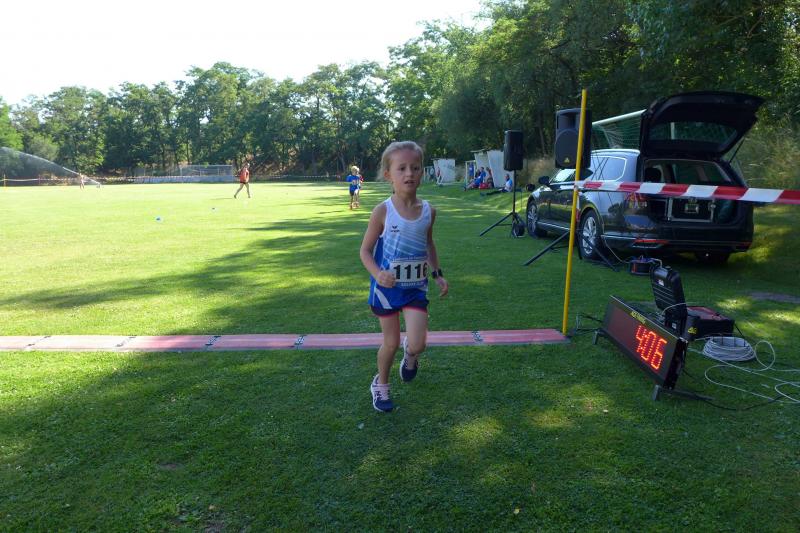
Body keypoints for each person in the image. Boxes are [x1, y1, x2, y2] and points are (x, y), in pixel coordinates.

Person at [359, 141, 449, 412]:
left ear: (422, 172)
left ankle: (411, 355)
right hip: (387, 291)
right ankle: (381, 384)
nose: (409, 173)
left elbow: (429, 245)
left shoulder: (428, 211)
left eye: (415, 167)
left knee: (418, 344)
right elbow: (364, 251)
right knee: (391, 343)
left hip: (415, 289)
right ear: (389, 175)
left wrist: (438, 274)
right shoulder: (382, 211)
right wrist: (378, 274)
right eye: (402, 168)